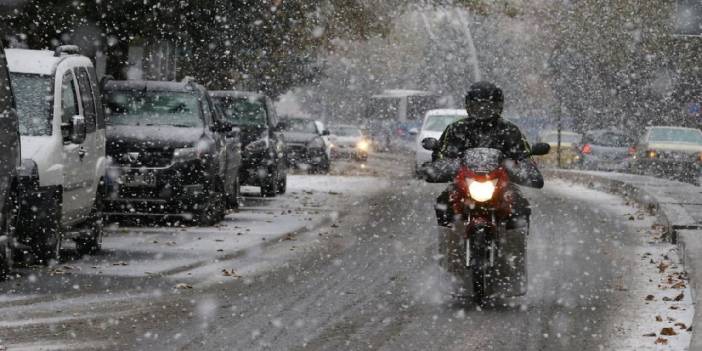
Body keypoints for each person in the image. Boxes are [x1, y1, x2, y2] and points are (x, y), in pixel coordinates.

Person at [431, 81, 544, 226]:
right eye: (478, 106)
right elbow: (443, 155)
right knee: (444, 202)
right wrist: (437, 167)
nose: (483, 110)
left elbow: (524, 156)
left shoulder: (510, 130)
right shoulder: (456, 129)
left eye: (489, 106)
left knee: (519, 205)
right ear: (469, 106)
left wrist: (527, 169)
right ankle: (449, 243)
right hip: (464, 183)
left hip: (501, 184)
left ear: (498, 106)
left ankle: (515, 244)